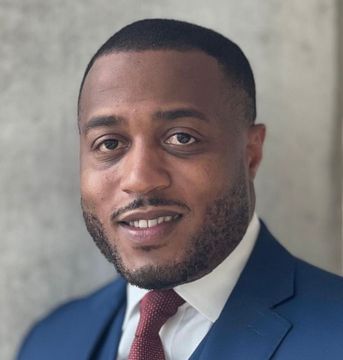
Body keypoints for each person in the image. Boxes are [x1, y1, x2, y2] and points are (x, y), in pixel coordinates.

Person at [17, 19, 343, 360]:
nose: (139, 179)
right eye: (109, 143)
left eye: (181, 138)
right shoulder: (48, 342)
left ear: (251, 153)